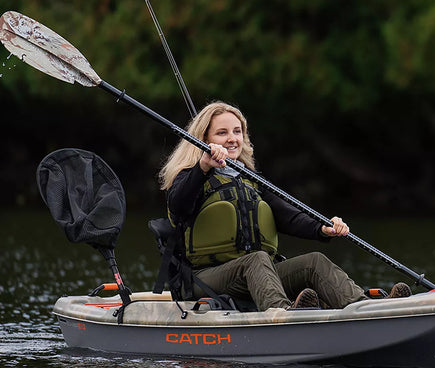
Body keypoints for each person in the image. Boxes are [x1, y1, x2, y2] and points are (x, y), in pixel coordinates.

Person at [159, 101, 411, 310]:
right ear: (205, 139)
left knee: (314, 261)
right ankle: (283, 315)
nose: (232, 139)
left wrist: (323, 228)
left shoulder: (251, 180)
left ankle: (366, 309)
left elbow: (288, 216)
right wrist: (203, 165)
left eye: (237, 132)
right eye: (222, 133)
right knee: (255, 259)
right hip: (205, 278)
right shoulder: (188, 177)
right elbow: (178, 206)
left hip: (259, 273)